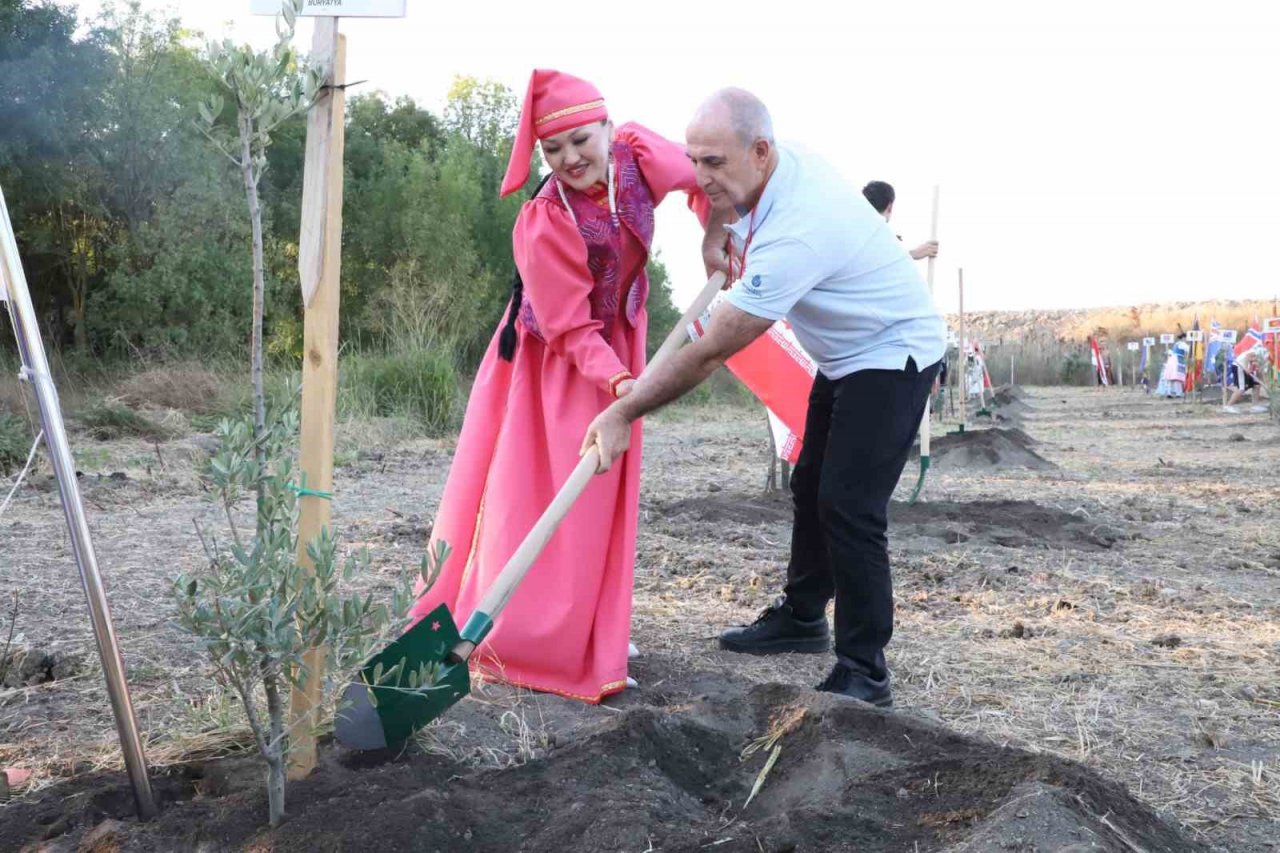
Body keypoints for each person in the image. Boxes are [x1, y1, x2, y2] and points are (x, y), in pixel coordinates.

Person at [583, 88, 945, 709]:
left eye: (714, 165)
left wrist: (624, 409)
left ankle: (865, 671)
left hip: (893, 353)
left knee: (850, 506)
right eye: (696, 161)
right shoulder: (768, 165)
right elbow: (729, 199)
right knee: (811, 484)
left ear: (759, 150)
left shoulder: (799, 233)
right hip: (846, 352)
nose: (702, 177)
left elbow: (709, 352)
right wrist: (712, 236)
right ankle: (804, 616)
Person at [408, 69, 708, 703]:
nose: (571, 158)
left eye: (580, 140)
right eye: (554, 149)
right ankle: (522, 636)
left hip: (619, 347)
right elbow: (570, 330)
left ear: (606, 127)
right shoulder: (545, 220)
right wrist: (627, 387)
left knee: (606, 500)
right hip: (554, 368)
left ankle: (595, 633)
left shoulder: (639, 158)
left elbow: (707, 175)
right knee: (547, 496)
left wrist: (718, 231)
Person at [861, 180, 938, 261]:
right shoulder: (878, 236)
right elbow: (879, 260)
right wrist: (911, 254)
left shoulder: (853, 231)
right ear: (890, 207)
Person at [1224, 345, 1270, 412]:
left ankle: (1255, 405)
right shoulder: (1262, 351)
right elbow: (1247, 356)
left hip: (1248, 368)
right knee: (1241, 388)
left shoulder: (1268, 358)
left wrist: (1263, 380)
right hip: (1240, 366)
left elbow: (1260, 371)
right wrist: (1246, 368)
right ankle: (1228, 406)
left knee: (1256, 385)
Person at [1155, 333, 1189, 398]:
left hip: (1171, 361)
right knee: (1177, 378)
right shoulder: (1182, 344)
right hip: (1177, 361)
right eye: (1185, 338)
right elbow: (1189, 349)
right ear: (1183, 338)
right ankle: (1178, 393)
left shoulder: (1176, 344)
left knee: (1171, 378)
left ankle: (1169, 392)